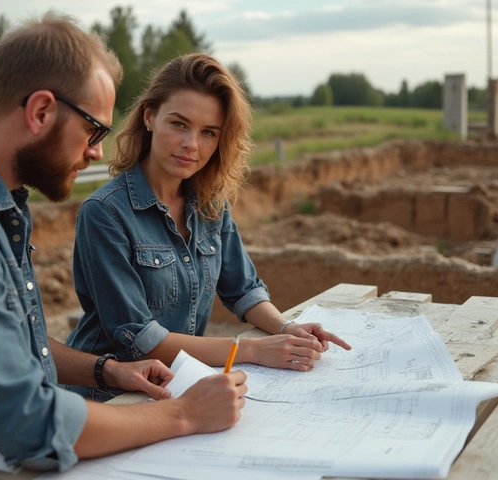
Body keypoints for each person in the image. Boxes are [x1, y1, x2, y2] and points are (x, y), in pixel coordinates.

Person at [0, 14, 247, 480]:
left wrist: (107, 371)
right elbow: (27, 423)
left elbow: (14, 346)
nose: (97, 154)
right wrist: (184, 414)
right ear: (41, 111)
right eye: (94, 131)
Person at [66, 52, 351, 401]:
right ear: (150, 117)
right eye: (179, 124)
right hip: (104, 395)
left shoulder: (211, 206)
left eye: (209, 133)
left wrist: (288, 328)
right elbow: (142, 339)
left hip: (176, 385)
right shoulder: (105, 213)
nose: (192, 145)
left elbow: (243, 291)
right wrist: (251, 349)